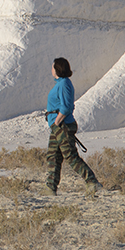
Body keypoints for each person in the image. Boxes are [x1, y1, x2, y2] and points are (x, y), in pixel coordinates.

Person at [45, 57, 99, 194]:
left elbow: (67, 106)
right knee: (53, 156)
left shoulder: (64, 84)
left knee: (70, 156)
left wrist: (57, 121)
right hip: (57, 126)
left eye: (52, 67)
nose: (51, 69)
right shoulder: (60, 84)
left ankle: (92, 182)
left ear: (57, 69)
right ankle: (50, 188)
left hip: (62, 125)